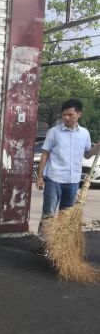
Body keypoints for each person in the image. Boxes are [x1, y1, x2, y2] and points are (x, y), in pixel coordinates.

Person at [36, 99, 100, 256]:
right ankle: (44, 244)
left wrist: (98, 146)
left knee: (66, 216)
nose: (66, 118)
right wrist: (40, 176)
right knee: (48, 213)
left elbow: (87, 154)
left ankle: (60, 245)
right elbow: (45, 154)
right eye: (64, 115)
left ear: (79, 114)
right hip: (54, 179)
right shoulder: (54, 132)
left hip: (73, 181)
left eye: (70, 114)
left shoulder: (84, 133)